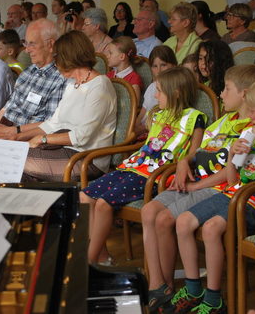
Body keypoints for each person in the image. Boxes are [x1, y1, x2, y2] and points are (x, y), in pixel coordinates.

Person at [167, 76, 255, 314]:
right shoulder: (251, 131)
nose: (249, 117)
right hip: (237, 195)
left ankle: (214, 299)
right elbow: (233, 180)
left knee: (211, 229)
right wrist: (233, 156)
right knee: (183, 222)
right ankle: (193, 289)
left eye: (253, 112)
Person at [141, 64, 255, 313]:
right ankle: (158, 285)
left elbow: (232, 174)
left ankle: (169, 288)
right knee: (148, 212)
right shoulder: (224, 121)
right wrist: (184, 163)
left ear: (245, 93)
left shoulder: (251, 130)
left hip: (214, 187)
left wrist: (197, 183)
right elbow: (198, 151)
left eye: (226, 88)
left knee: (165, 219)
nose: (220, 93)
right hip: (194, 179)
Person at [82, 67, 205, 264]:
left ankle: (89, 260)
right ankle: (102, 257)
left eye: (159, 91)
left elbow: (195, 152)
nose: (155, 96)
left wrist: (184, 162)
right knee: (84, 196)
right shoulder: (159, 114)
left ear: (175, 93)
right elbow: (147, 140)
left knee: (104, 204)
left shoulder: (194, 117)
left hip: (155, 174)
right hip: (134, 165)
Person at [16, 30, 116, 182]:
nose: (54, 62)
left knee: (15, 161)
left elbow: (82, 136)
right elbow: (54, 123)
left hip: (87, 158)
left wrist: (43, 139)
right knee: (16, 164)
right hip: (61, 150)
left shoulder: (100, 85)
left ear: (68, 58)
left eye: (56, 57)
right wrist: (18, 136)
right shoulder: (72, 83)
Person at [0, 19, 66, 138]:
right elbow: (6, 109)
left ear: (50, 45)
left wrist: (12, 132)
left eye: (32, 44)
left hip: (26, 139)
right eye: (26, 43)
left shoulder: (61, 78)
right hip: (5, 131)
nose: (27, 50)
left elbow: (50, 125)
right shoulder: (27, 73)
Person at [136, 45, 178, 136]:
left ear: (174, 65)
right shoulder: (152, 87)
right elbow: (141, 115)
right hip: (140, 132)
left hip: (155, 134)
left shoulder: (174, 90)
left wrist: (140, 130)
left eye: (163, 65)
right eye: (155, 66)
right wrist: (134, 129)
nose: (159, 70)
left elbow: (166, 120)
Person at [105, 36, 143, 101]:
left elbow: (133, 107)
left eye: (110, 53)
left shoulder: (134, 79)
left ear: (122, 56)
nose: (107, 56)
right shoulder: (109, 75)